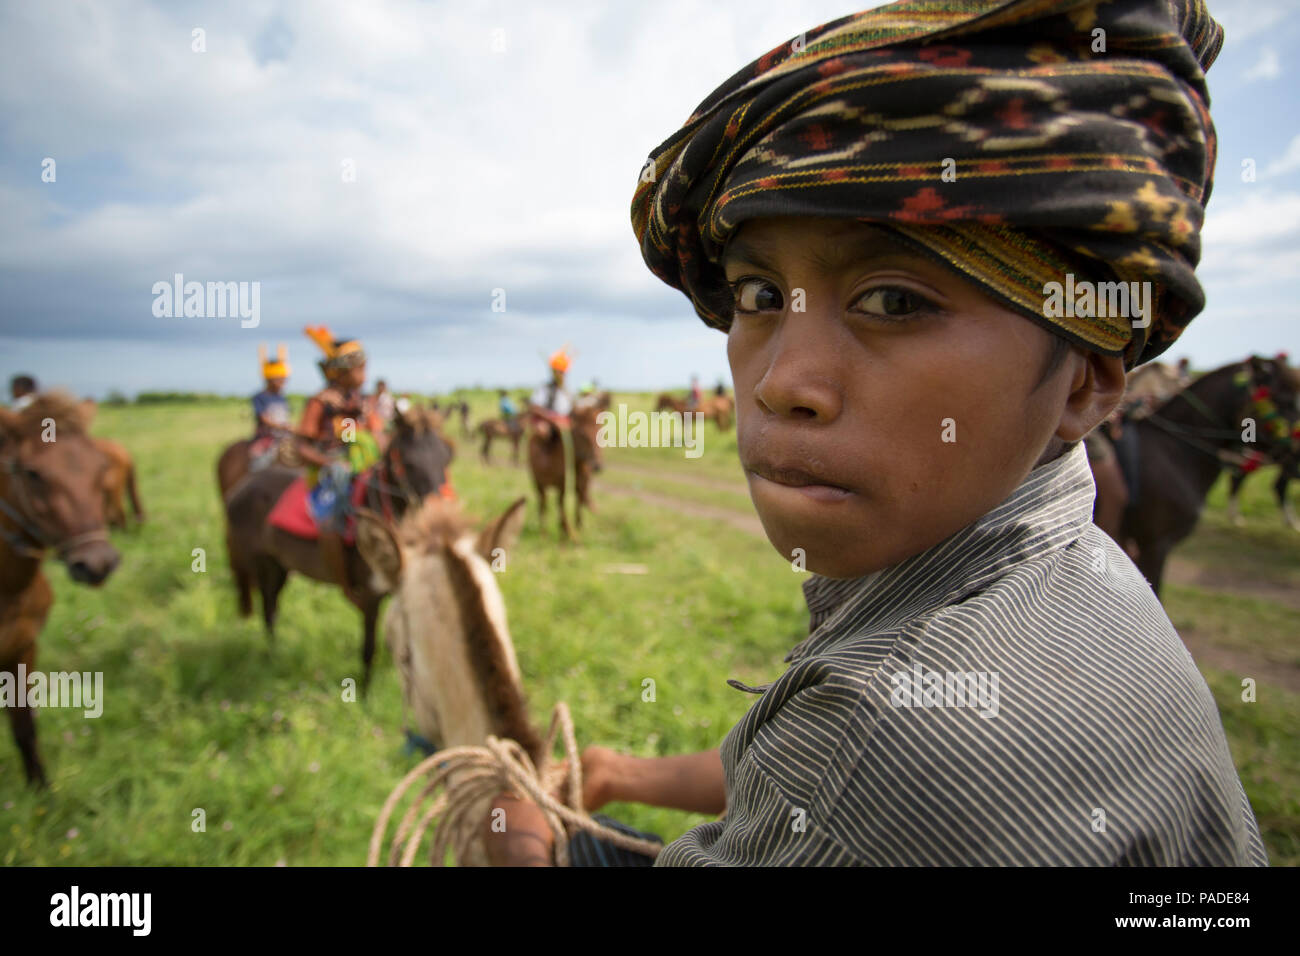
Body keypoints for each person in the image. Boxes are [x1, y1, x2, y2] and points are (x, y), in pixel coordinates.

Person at [485, 0, 1266, 866]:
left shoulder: (896, 729)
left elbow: (850, 772)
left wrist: (530, 845)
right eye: (758, 298)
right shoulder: (1083, 581)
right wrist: (620, 771)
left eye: (894, 301)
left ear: (1086, 378)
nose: (782, 383)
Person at [296, 326, 384, 604]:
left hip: (367, 469)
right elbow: (301, 447)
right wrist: (329, 463)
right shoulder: (321, 403)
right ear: (341, 371)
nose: (363, 375)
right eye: (358, 369)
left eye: (364, 368)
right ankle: (346, 585)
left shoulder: (365, 403)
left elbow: (378, 435)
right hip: (331, 473)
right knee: (330, 519)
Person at [528, 349, 575, 443]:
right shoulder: (545, 388)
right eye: (558, 372)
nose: (560, 375)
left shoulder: (568, 391)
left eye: (562, 372)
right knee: (542, 430)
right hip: (546, 421)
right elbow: (534, 408)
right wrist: (552, 419)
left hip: (564, 421)